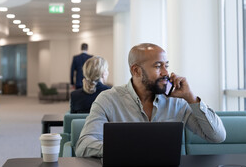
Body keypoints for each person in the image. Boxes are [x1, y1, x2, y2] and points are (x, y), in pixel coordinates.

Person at [75, 43, 226, 157]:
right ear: (136, 70)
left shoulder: (177, 102)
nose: (166, 72)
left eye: (166, 66)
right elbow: (84, 145)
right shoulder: (109, 100)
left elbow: (217, 136)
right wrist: (126, 151)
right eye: (158, 66)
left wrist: (191, 98)